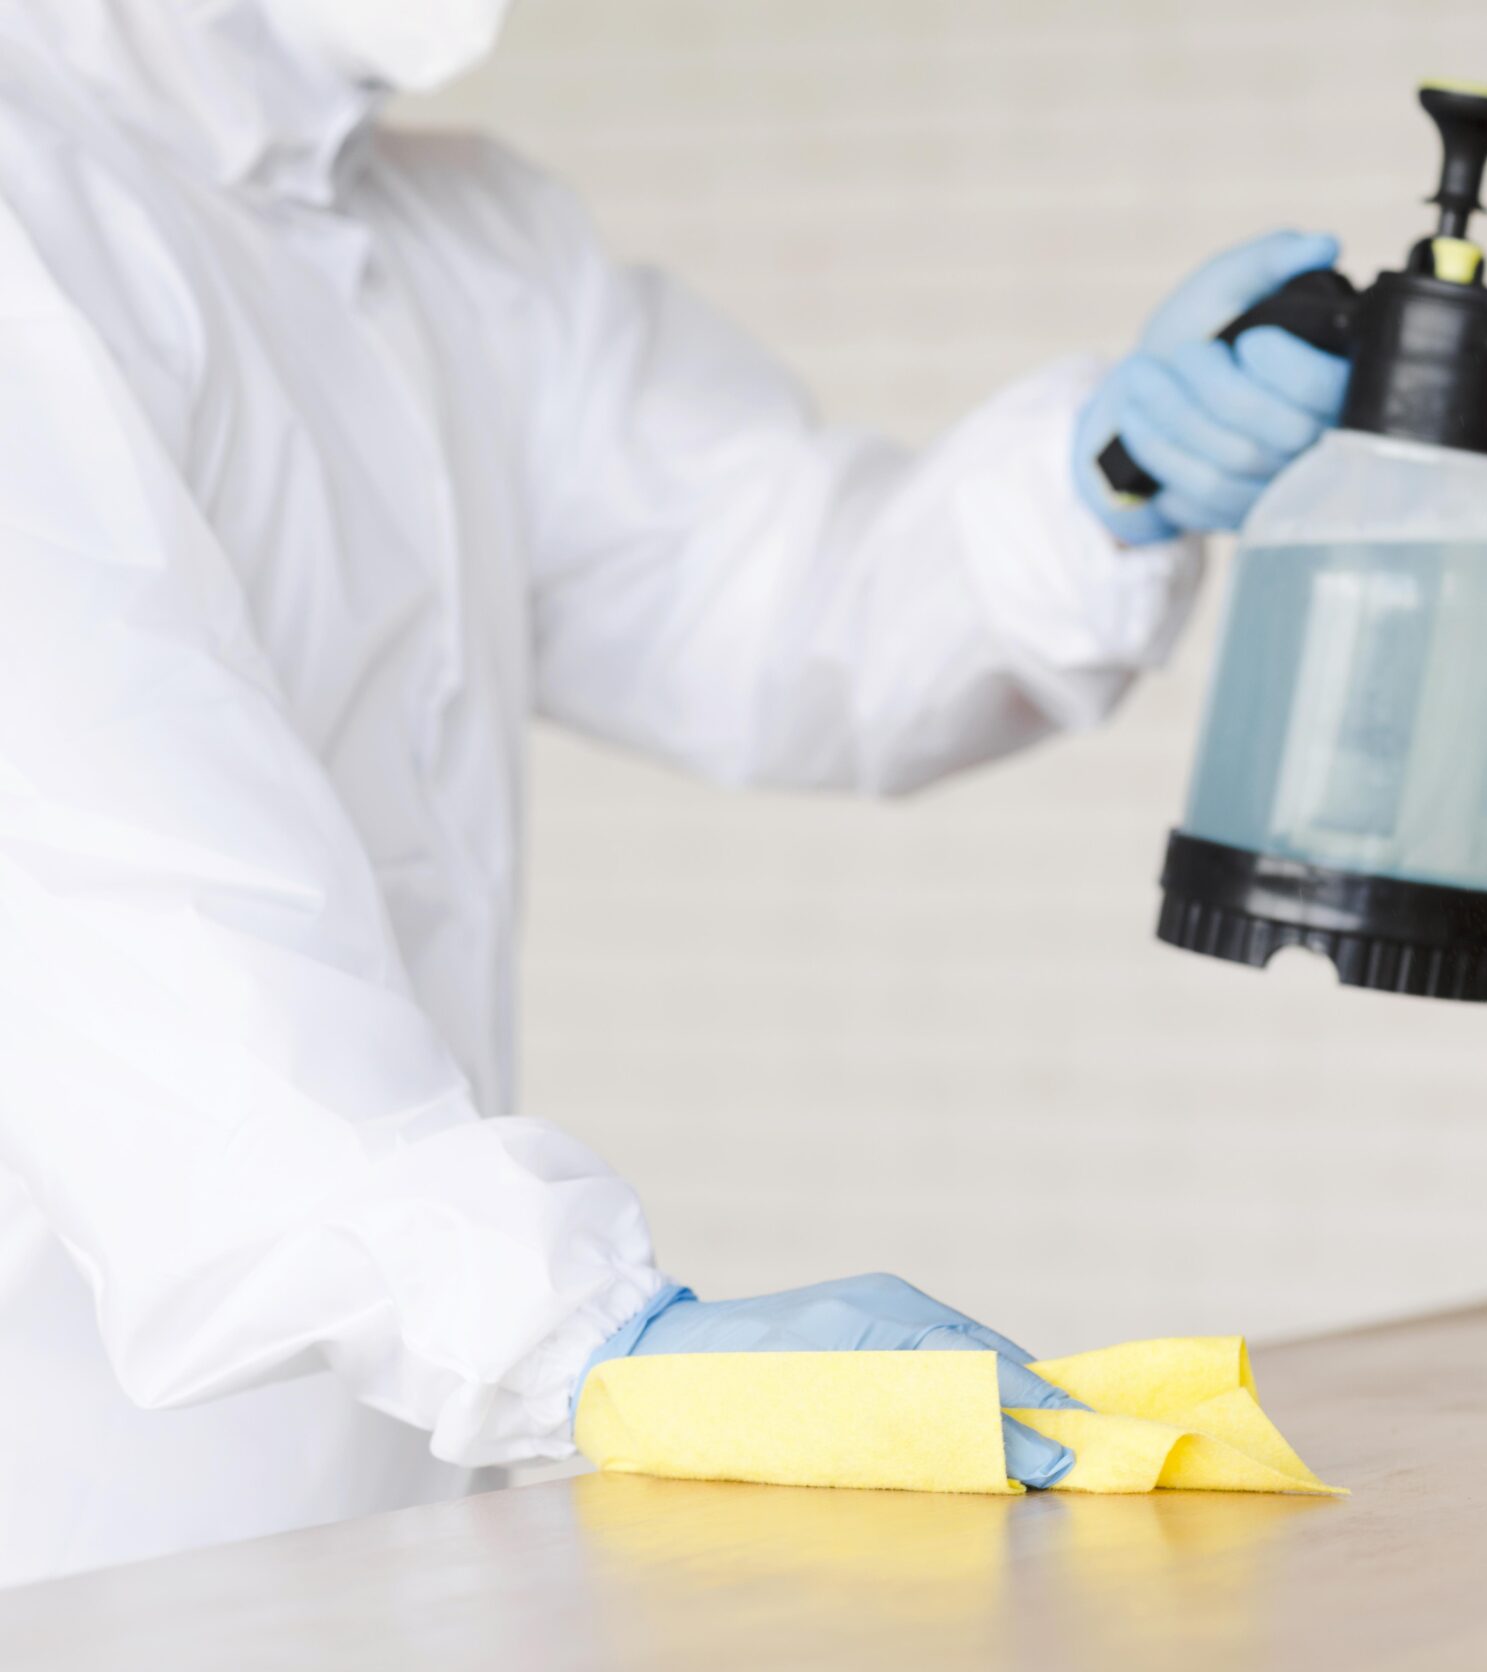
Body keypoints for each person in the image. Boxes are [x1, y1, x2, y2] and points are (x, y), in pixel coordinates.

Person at [0, 0, 1351, 1585]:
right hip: (75, 1484)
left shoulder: (455, 235)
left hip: (383, 1471)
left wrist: (1110, 477)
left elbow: (775, 608)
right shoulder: (37, 195)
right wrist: (585, 1332)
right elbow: (106, 887)